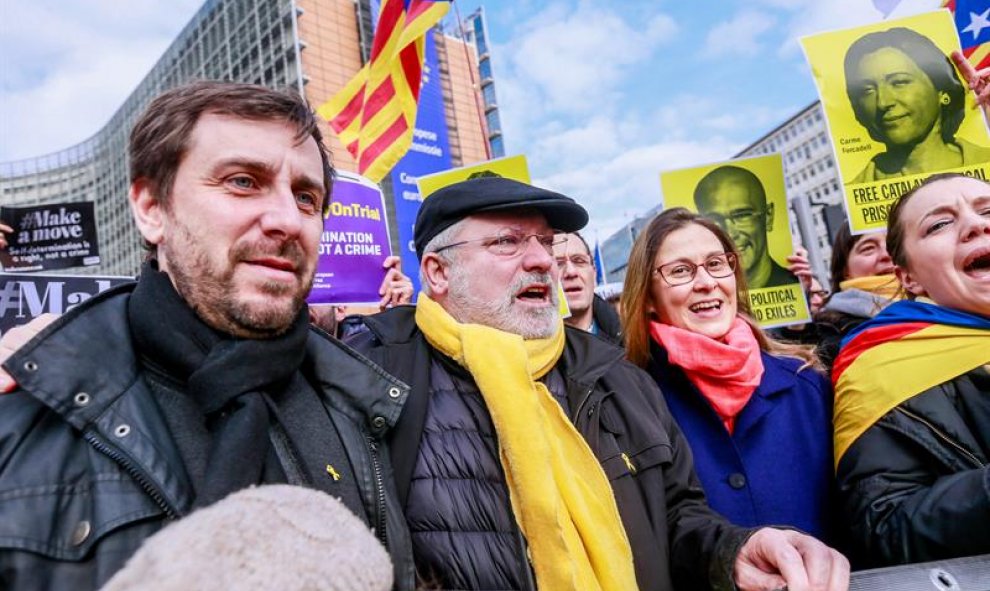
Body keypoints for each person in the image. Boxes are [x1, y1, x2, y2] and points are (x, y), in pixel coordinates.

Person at [0, 81, 414, 590]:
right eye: (243, 182)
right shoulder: (28, 417)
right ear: (152, 208)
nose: (287, 219)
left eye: (307, 197)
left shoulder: (367, 401)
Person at [348, 176, 848, 591]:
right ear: (437, 272)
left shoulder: (616, 378)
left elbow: (677, 518)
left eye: (544, 241)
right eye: (507, 241)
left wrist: (733, 551)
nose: (543, 260)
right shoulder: (371, 382)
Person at [619, 207, 834, 543]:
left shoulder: (806, 385)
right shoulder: (628, 406)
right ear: (647, 297)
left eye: (716, 264)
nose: (706, 283)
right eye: (680, 271)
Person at [833, 172, 990, 567]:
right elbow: (884, 525)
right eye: (940, 224)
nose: (977, 224)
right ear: (909, 278)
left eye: (987, 210)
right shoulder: (879, 365)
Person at [844, 28, 990, 183]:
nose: (883, 103)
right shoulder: (858, 189)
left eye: (899, 82)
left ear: (941, 90)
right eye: (867, 91)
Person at [814, 225, 900, 372]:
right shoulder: (826, 334)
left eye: (892, 243)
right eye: (868, 248)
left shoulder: (943, 302)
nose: (887, 254)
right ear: (845, 270)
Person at [693, 165, 794, 289]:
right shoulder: (702, 296)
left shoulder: (796, 285)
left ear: (768, 216)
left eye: (742, 215)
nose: (730, 233)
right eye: (715, 219)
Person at [553, 231, 622, 344]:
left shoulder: (636, 337)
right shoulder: (530, 354)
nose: (571, 272)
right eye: (558, 264)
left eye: (579, 261)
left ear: (594, 273)